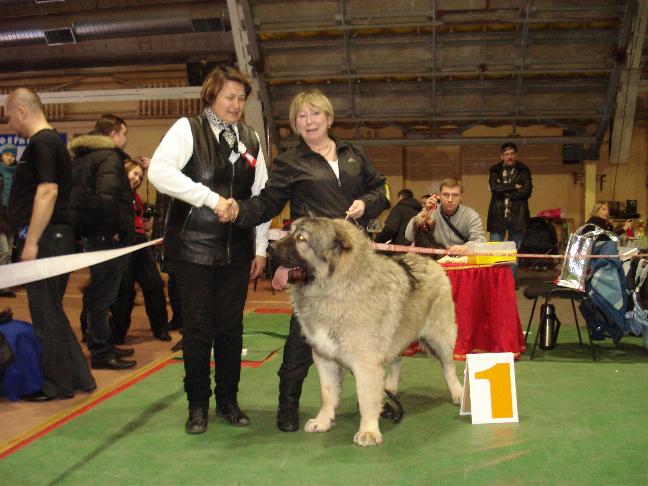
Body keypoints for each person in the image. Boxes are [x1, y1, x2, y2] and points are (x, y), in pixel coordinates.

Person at [223, 88, 389, 433]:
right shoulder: (289, 161)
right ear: (295, 125)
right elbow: (267, 203)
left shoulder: (352, 153)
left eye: (315, 114)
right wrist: (238, 210)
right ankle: (288, 403)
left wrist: (367, 204)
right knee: (303, 335)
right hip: (311, 264)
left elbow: (380, 190)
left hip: (353, 263)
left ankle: (372, 399)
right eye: (301, 116)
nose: (309, 121)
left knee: (362, 334)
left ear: (328, 118)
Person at [147, 66, 270, 434]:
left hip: (236, 252)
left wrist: (260, 249)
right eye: (229, 97)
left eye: (241, 98)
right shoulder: (187, 128)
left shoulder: (250, 137)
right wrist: (212, 199)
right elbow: (160, 172)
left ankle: (228, 401)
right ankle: (197, 405)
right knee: (198, 331)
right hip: (193, 250)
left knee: (231, 329)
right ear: (211, 96)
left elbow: (261, 196)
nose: (235, 104)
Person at [5, 87, 96, 400]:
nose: (8, 123)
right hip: (54, 236)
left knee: (45, 314)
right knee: (52, 312)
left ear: (21, 111)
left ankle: (57, 385)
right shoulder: (52, 142)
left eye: (8, 116)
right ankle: (80, 378)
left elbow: (47, 192)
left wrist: (31, 243)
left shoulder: (42, 143)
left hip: (46, 238)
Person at [68, 114, 136, 370]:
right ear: (114, 134)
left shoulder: (84, 156)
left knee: (101, 295)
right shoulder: (108, 157)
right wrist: (111, 230)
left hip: (94, 234)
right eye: (124, 133)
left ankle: (104, 345)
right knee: (102, 297)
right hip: (107, 237)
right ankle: (101, 352)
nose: (126, 139)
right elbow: (106, 197)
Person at [111, 159, 171, 344]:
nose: (137, 179)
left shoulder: (135, 197)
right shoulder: (115, 194)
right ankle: (118, 334)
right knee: (125, 291)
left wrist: (145, 224)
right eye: (134, 174)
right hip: (124, 244)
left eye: (140, 176)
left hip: (140, 243)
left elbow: (138, 222)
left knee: (154, 284)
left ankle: (160, 328)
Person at [405, 178, 486, 254]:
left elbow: (480, 241)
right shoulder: (431, 212)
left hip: (462, 259)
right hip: (436, 261)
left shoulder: (471, 215)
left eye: (455, 195)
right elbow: (409, 236)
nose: (450, 200)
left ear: (461, 197)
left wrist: (466, 247)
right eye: (446, 195)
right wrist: (425, 211)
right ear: (439, 195)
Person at [487, 142, 533, 275]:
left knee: (513, 252)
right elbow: (495, 189)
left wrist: (504, 189)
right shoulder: (494, 170)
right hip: (497, 215)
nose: (509, 157)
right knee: (495, 251)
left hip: (518, 217)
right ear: (501, 156)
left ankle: (510, 283)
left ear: (517, 155)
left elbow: (526, 192)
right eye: (506, 154)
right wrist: (514, 186)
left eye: (512, 154)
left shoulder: (524, 171)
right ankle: (495, 282)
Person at [0, 143, 17, 297]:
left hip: (11, 217)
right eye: (7, 154)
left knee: (9, 252)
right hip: (0, 216)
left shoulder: (17, 173)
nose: (9, 158)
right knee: (3, 251)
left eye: (12, 155)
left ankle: (4, 286)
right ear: (1, 155)